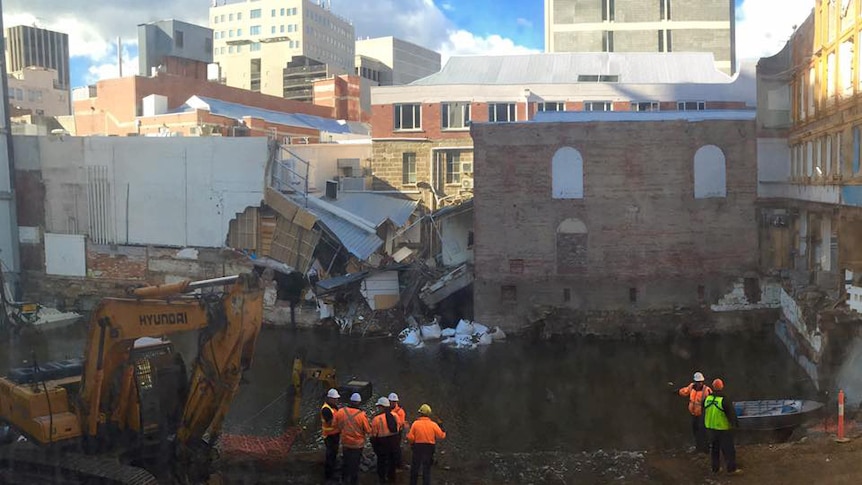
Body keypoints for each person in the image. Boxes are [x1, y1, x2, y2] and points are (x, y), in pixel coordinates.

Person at [704, 378, 742, 475]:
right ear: (722, 386)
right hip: (723, 428)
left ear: (713, 387)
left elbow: (703, 411)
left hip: (711, 428)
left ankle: (715, 468)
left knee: (714, 449)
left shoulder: (707, 399)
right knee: (729, 450)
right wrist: (735, 425)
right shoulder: (724, 399)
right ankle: (731, 469)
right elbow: (731, 414)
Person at [407, 404, 446, 485]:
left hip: (418, 447)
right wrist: (441, 426)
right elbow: (441, 436)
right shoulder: (433, 425)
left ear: (420, 413)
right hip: (429, 448)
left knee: (415, 468)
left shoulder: (415, 424)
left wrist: (412, 444)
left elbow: (410, 437)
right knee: (426, 469)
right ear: (428, 414)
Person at [338, 393, 371, 485]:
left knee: (346, 461)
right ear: (359, 403)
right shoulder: (361, 415)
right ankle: (353, 481)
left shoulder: (341, 411)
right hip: (357, 444)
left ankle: (344, 479)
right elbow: (368, 430)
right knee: (355, 464)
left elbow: (336, 424)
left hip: (345, 442)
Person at [678, 371, 712, 453]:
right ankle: (699, 448)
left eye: (700, 382)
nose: (699, 383)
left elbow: (711, 400)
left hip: (702, 414)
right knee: (695, 431)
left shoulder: (706, 390)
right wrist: (678, 391)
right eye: (697, 382)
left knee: (703, 432)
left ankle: (706, 449)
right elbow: (685, 391)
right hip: (693, 414)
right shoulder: (691, 387)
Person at [371, 396, 399, 483]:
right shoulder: (395, 415)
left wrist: (374, 446)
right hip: (393, 442)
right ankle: (392, 478)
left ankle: (382, 479)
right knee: (392, 462)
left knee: (381, 463)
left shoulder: (376, 419)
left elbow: (373, 435)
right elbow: (398, 429)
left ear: (382, 407)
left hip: (382, 444)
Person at [320, 388, 342, 482]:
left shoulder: (333, 407)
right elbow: (329, 422)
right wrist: (340, 422)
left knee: (334, 453)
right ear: (330, 399)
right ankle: (328, 475)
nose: (337, 400)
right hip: (329, 436)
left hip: (335, 434)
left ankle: (333, 470)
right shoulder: (326, 409)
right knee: (330, 455)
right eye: (335, 399)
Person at [389, 392, 407, 468]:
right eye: (391, 401)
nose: (392, 403)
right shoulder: (387, 409)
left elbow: (401, 423)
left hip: (397, 432)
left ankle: (398, 464)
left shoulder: (400, 411)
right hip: (388, 432)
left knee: (396, 448)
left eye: (394, 402)